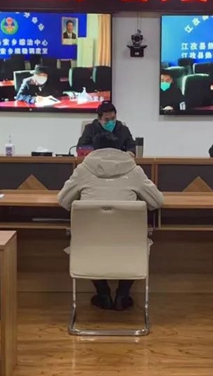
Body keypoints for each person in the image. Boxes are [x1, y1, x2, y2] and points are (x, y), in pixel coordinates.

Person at [58, 132, 163, 311]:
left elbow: (63, 200)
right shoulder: (134, 171)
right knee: (134, 242)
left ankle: (103, 293)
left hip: (89, 247)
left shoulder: (83, 170)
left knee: (88, 241)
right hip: (128, 247)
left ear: (93, 150)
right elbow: (157, 201)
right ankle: (123, 294)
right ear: (120, 149)